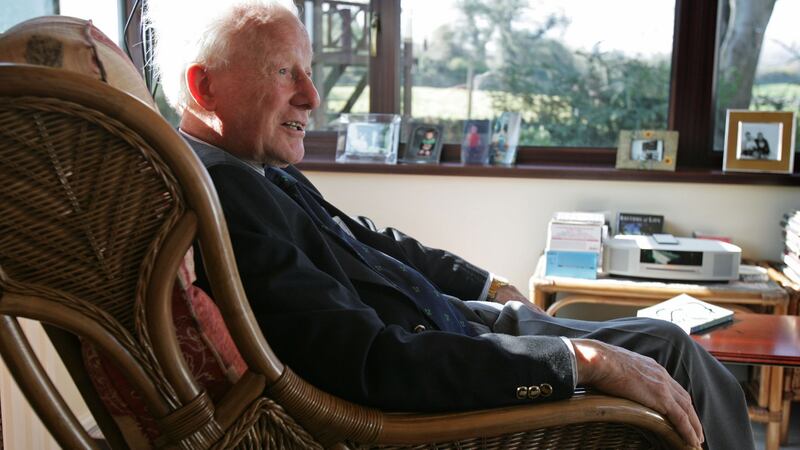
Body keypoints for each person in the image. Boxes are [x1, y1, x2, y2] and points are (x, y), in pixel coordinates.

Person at [146, 1, 753, 448]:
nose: (312, 96)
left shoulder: (250, 170)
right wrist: (578, 362)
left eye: (308, 72)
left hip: (462, 322)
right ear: (205, 86)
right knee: (672, 354)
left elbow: (367, 240)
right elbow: (372, 361)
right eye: (285, 72)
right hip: (444, 373)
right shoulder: (223, 196)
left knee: (667, 343)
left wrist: (488, 284)